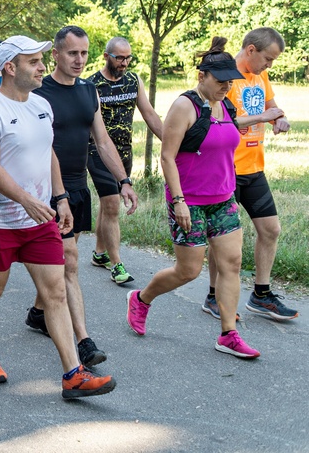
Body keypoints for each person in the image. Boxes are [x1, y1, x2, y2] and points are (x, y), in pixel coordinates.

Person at [0, 35, 116, 398]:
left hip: (40, 221)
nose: (42, 67)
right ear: (10, 67)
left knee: (55, 291)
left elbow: (48, 153)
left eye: (41, 60)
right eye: (34, 61)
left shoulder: (41, 105)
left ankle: (73, 373)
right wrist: (26, 200)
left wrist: (59, 198)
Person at [126, 37, 260, 359]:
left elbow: (228, 128)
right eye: (220, 81)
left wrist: (264, 116)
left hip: (223, 198)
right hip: (190, 201)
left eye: (230, 81)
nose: (226, 86)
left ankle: (229, 334)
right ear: (202, 77)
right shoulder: (185, 106)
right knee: (188, 271)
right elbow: (167, 157)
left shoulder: (224, 104)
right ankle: (141, 299)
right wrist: (179, 201)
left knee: (232, 263)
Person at [26, 26, 138, 370]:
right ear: (56, 55)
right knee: (69, 260)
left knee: (59, 262)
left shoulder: (89, 91)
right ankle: (83, 341)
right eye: (73, 53)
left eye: (84, 53)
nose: (79, 60)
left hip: (76, 186)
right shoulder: (38, 92)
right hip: (43, 190)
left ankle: (38, 313)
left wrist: (123, 179)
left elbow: (102, 141)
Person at [205, 28, 298, 321]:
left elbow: (271, 107)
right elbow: (221, 119)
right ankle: (212, 296)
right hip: (226, 170)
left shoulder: (261, 76)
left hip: (254, 169)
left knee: (270, 230)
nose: (269, 65)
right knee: (223, 240)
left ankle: (261, 294)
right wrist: (262, 117)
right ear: (250, 51)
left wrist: (279, 119)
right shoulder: (226, 75)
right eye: (267, 59)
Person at [87, 37, 163, 283]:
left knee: (107, 203)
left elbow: (149, 113)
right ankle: (117, 264)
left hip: (124, 152)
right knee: (111, 203)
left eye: (128, 57)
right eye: (119, 58)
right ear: (106, 56)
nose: (124, 63)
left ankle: (100, 253)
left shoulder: (133, 80)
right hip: (97, 151)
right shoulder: (91, 85)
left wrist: (171, 143)